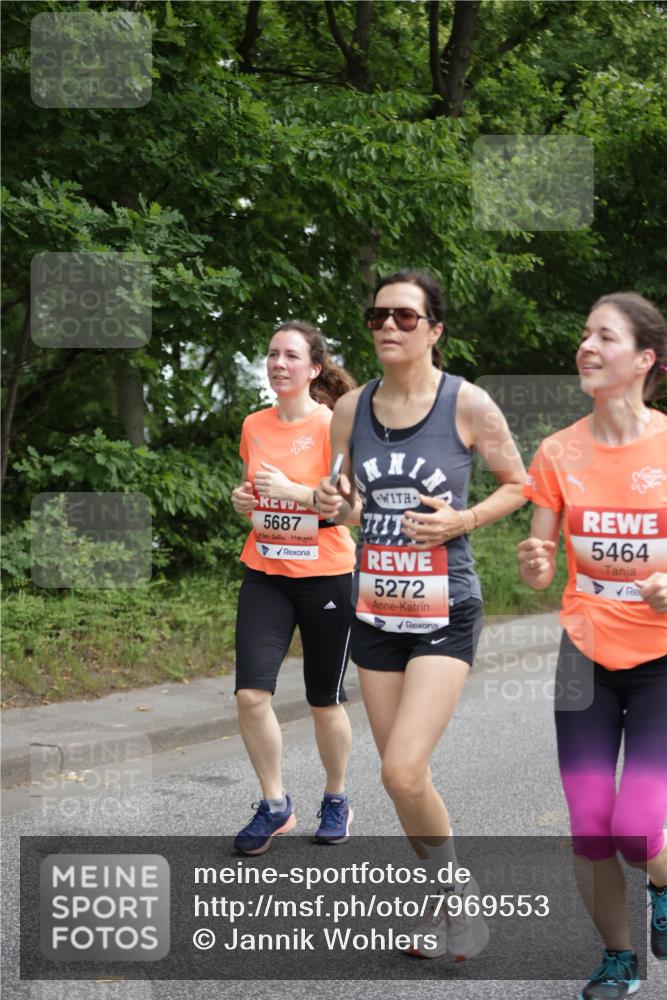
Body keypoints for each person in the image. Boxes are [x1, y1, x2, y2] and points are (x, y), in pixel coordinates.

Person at [316, 269, 527, 961]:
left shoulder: (467, 404)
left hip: (445, 608)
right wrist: (332, 506)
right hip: (374, 609)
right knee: (404, 781)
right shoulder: (351, 410)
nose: (387, 327)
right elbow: (349, 504)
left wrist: (462, 518)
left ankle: (461, 905)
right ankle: (448, 909)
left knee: (402, 771)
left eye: (405, 318)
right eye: (378, 316)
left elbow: (517, 484)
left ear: (435, 329)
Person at [518, 292, 667, 999]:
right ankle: (619, 958)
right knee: (588, 822)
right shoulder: (557, 451)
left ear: (642, 359)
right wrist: (535, 564)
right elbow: (541, 549)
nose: (585, 345)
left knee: (638, 829)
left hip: (661, 660)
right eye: (582, 334)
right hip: (584, 655)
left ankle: (662, 886)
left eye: (602, 336)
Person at [230, 321, 358, 855]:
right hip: (265, 572)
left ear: (314, 368)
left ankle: (336, 798)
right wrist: (244, 503)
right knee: (250, 695)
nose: (278, 363)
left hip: (326, 575)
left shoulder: (336, 426)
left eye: (290, 355)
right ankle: (276, 804)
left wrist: (297, 491)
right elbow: (254, 494)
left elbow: (353, 509)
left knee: (323, 700)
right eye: (271, 354)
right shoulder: (254, 425)